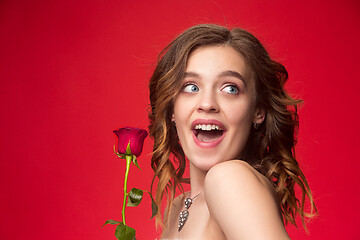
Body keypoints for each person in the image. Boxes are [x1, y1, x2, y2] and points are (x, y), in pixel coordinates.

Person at [148, 24, 316, 239]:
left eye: (230, 88)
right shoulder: (177, 207)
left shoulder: (229, 179)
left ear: (258, 111)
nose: (207, 103)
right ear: (172, 108)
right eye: (191, 87)